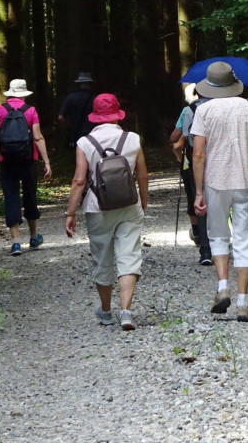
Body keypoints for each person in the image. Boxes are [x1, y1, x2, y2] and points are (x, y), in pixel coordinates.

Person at [191, 61, 248, 322]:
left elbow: (199, 153)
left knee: (217, 235)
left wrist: (199, 191)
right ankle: (243, 303)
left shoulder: (204, 110)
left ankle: (223, 287)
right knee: (247, 238)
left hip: (215, 182)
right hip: (247, 180)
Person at [64, 93, 150, 331]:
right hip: (129, 204)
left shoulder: (84, 143)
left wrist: (70, 212)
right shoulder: (133, 139)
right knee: (129, 255)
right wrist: (142, 200)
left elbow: (79, 181)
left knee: (102, 258)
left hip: (96, 207)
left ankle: (105, 311)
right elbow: (142, 174)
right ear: (117, 113)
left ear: (95, 116)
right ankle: (126, 312)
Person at [0, 79, 52, 256]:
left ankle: (16, 242)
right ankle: (33, 237)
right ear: (24, 94)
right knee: (30, 195)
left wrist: (0, 155)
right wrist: (46, 161)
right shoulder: (30, 110)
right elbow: (38, 137)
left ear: (10, 93)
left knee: (11, 197)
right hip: (28, 160)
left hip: (7, 160)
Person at [169, 84, 211, 263]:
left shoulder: (188, 110)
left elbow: (176, 137)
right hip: (218, 161)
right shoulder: (218, 108)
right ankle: (220, 242)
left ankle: (205, 249)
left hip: (194, 161)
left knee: (197, 200)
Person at [58, 71, 96, 149]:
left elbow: (60, 117)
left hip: (75, 133)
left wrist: (67, 127)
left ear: (79, 84)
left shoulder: (71, 98)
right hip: (92, 134)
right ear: (90, 84)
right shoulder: (95, 99)